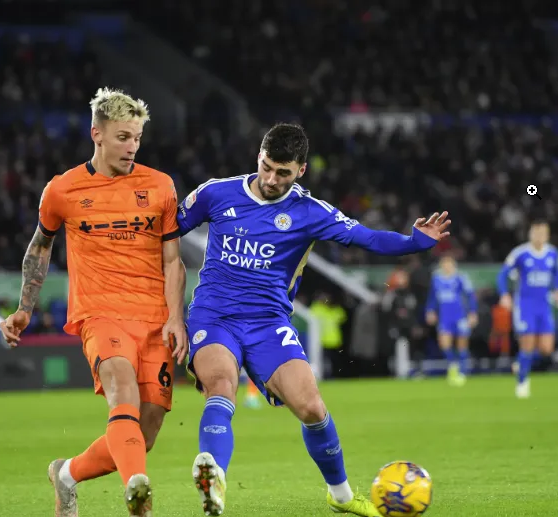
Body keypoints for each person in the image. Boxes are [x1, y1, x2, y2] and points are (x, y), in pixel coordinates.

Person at [176, 123, 450, 516]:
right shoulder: (216, 193)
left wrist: (413, 242)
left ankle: (340, 496)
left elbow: (367, 238)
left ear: (301, 170)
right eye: (267, 167)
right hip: (214, 315)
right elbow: (166, 233)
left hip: (269, 323)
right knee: (221, 385)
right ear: (259, 156)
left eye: (283, 173)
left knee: (312, 408)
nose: (271, 179)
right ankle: (214, 481)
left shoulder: (309, 212)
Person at [0, 87, 188, 517]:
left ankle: (66, 474)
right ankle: (139, 496)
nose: (132, 146)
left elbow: (173, 259)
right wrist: (25, 306)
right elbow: (40, 248)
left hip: (155, 318)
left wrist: (176, 317)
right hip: (99, 314)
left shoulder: (160, 186)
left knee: (147, 428)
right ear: (96, 134)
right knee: (121, 391)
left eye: (137, 137)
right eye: (123, 137)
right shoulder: (63, 190)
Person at [497, 219, 558, 398]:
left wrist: (557, 290)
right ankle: (522, 383)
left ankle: (520, 363)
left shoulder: (552, 253)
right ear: (530, 234)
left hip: (544, 306)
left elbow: (557, 274)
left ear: (547, 235)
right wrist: (505, 294)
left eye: (543, 233)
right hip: (525, 306)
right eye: (536, 233)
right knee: (527, 345)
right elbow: (502, 275)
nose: (540, 236)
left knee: (546, 349)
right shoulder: (520, 253)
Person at [424, 256, 478, 385]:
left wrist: (472, 313)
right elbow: (433, 296)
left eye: (449, 264)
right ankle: (453, 366)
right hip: (445, 317)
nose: (447, 267)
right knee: (444, 344)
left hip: (460, 316)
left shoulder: (461, 278)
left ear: (454, 266)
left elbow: (470, 296)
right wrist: (430, 310)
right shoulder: (436, 278)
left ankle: (463, 373)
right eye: (444, 264)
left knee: (462, 345)